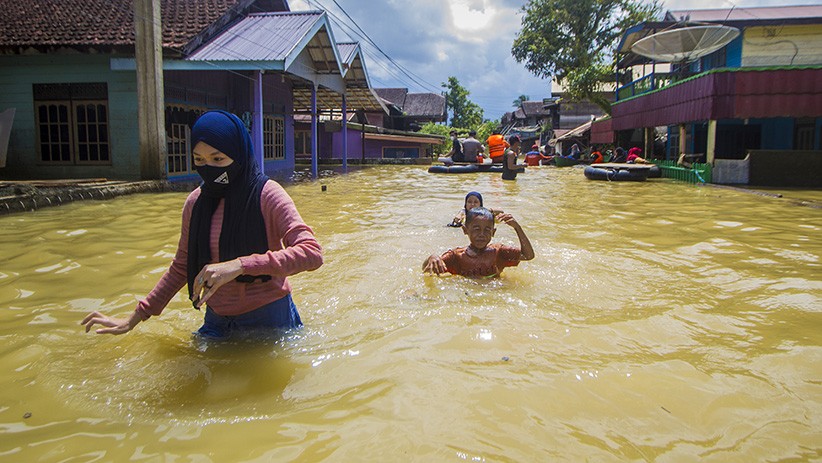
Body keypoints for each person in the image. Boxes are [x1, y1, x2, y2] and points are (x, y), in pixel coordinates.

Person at [81, 110, 323, 339]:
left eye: (218, 159)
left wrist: (240, 265)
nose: (209, 168)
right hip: (216, 320)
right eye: (199, 159)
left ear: (238, 154)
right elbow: (181, 266)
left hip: (269, 320)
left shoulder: (267, 195)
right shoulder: (196, 202)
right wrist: (135, 317)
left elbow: (311, 253)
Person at [423, 207, 535, 278]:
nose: (482, 234)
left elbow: (528, 256)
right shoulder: (457, 256)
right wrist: (431, 258)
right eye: (476, 229)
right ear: (465, 230)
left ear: (493, 232)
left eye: (487, 230)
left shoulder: (498, 252)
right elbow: (427, 269)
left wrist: (517, 228)